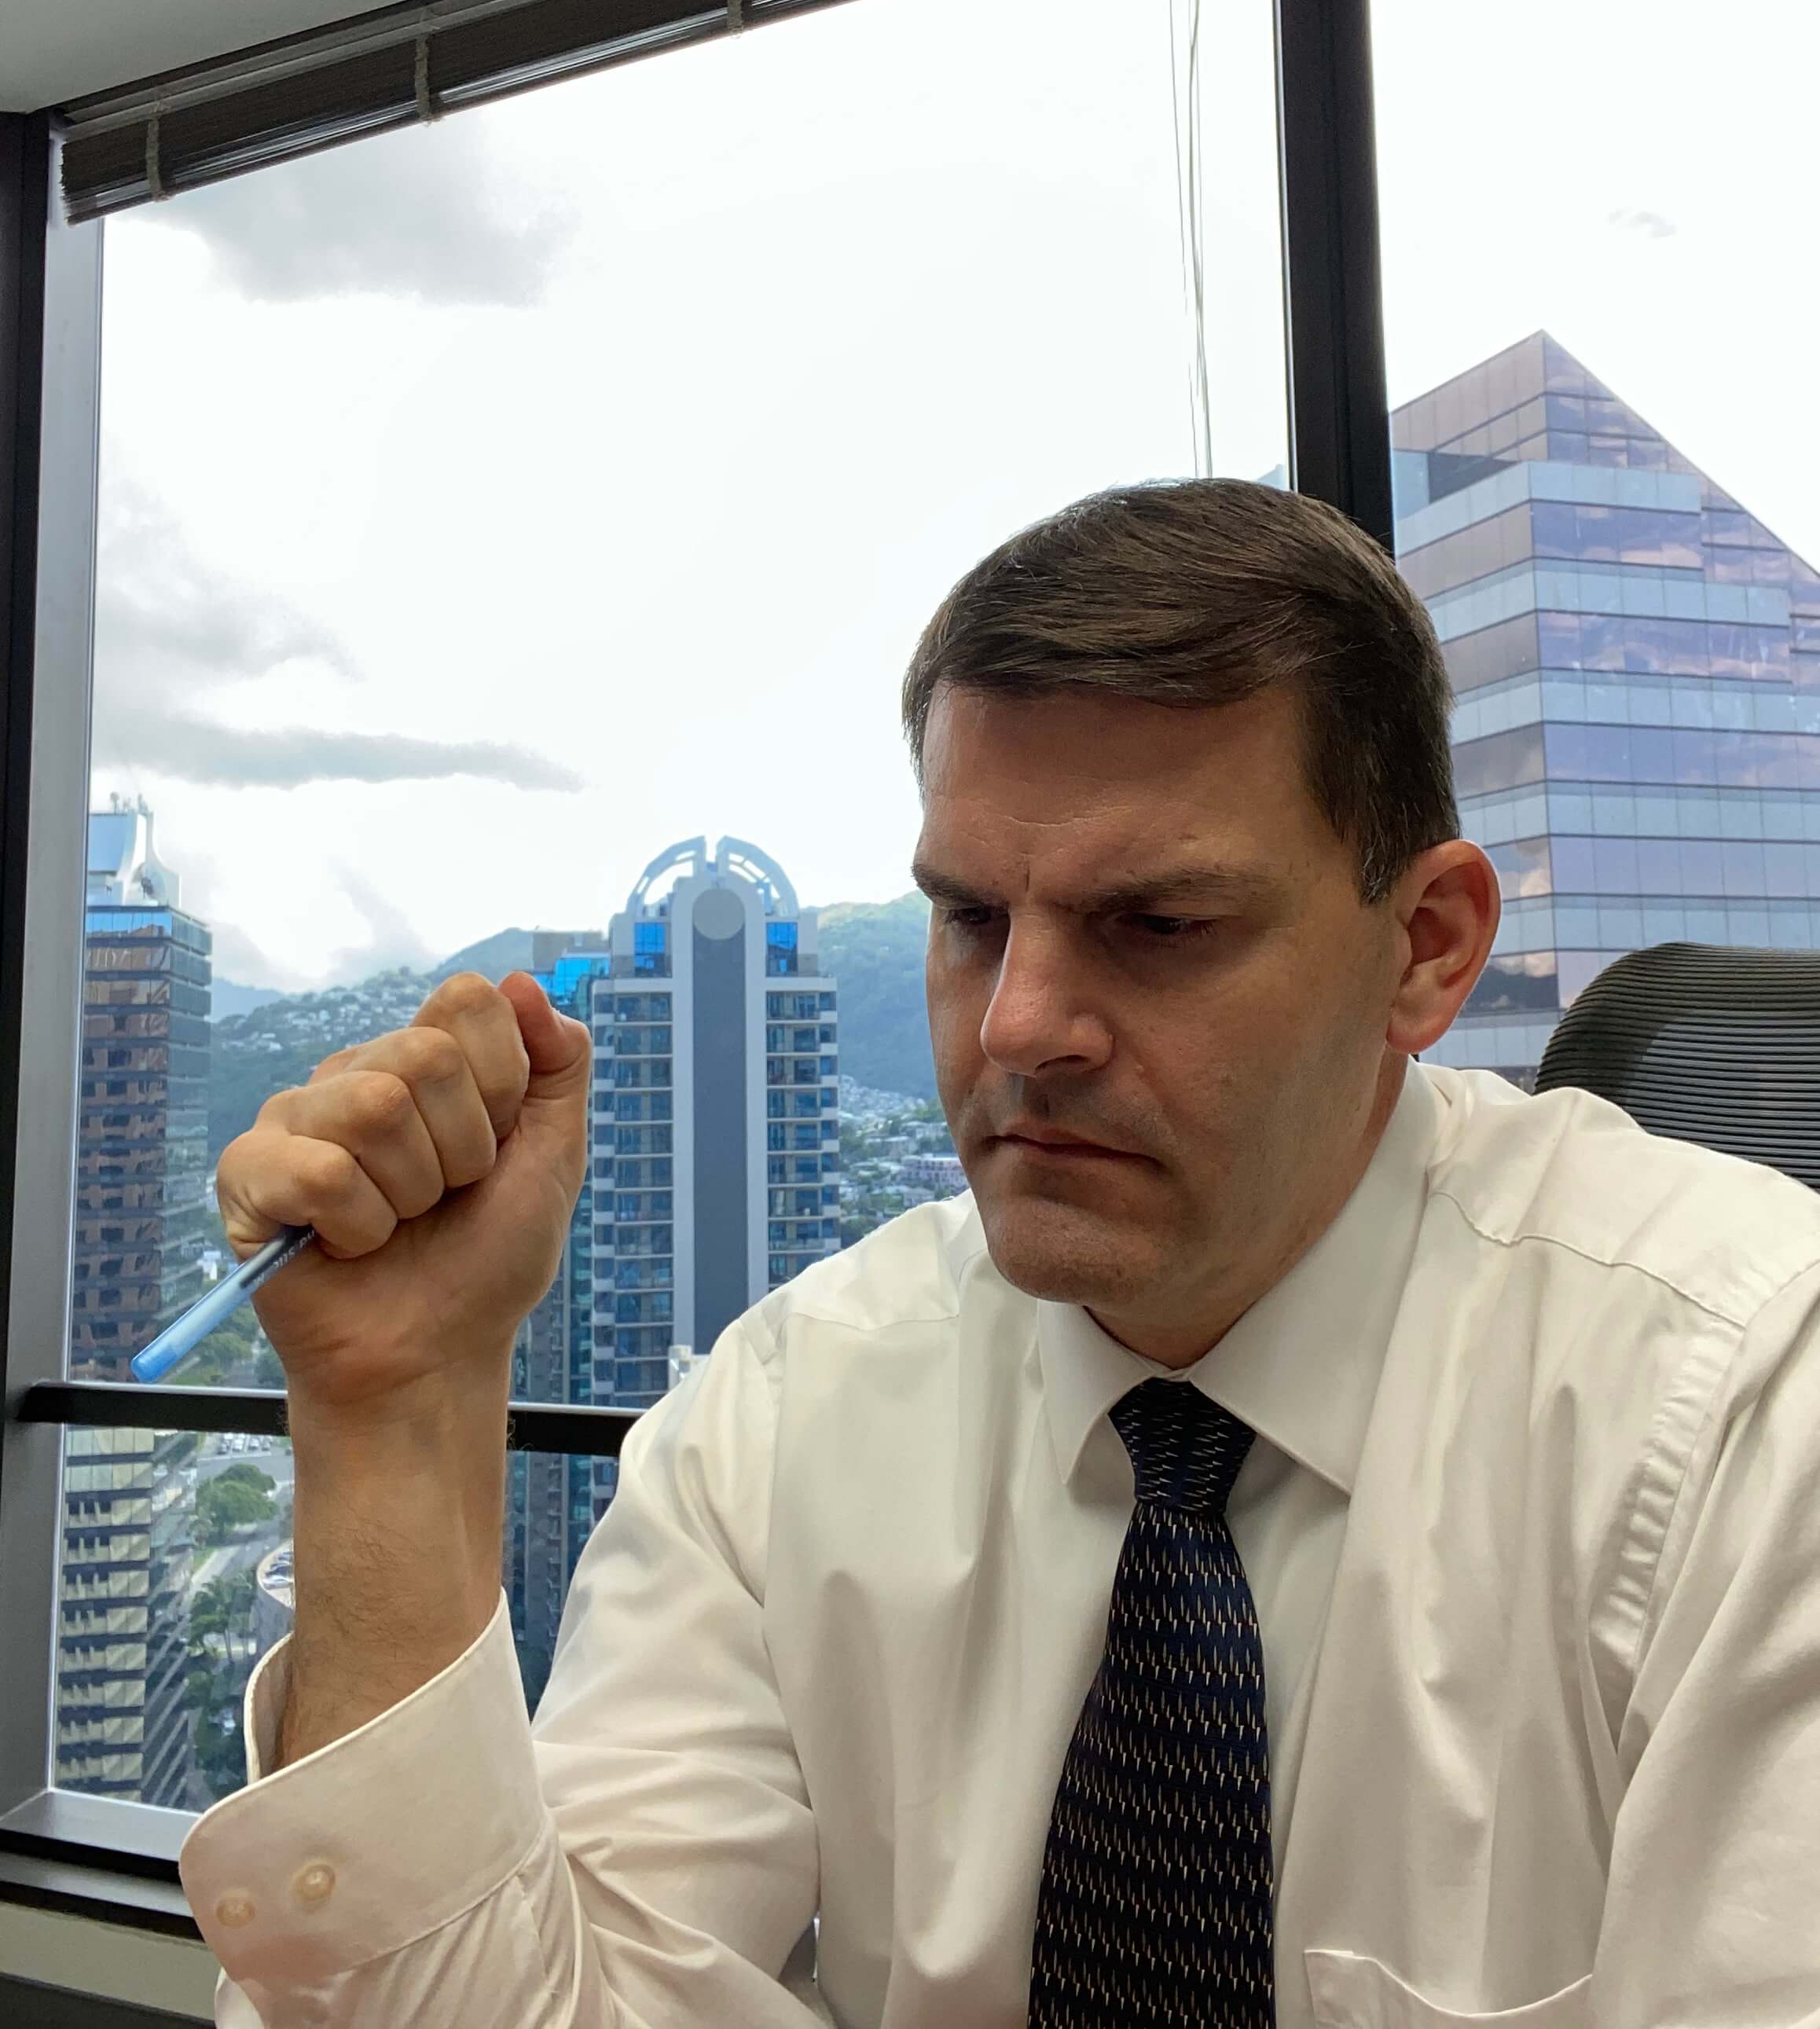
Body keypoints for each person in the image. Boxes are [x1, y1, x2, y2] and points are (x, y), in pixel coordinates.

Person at [181, 479, 1820, 2029]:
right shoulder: (790, 1411)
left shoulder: (1745, 1396)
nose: (1018, 1026)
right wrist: (397, 1406)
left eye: (1158, 924)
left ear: (1427, 946)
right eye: (970, 917)